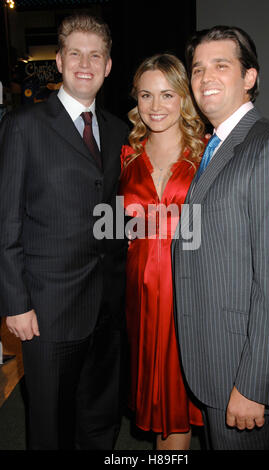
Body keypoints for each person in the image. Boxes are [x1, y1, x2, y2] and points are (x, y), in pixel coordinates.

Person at [0, 13, 129, 450]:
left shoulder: (121, 132)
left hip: (109, 310)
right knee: (50, 425)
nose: (85, 63)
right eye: (75, 53)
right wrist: (16, 303)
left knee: (100, 421)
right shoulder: (24, 126)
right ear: (58, 61)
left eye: (96, 54)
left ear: (109, 65)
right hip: (47, 311)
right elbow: (6, 220)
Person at [172, 25, 269, 450]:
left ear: (250, 78)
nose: (205, 77)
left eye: (221, 66)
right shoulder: (216, 147)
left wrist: (255, 384)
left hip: (243, 377)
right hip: (215, 363)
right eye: (198, 68)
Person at [119, 53, 205, 450]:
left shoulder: (206, 154)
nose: (155, 106)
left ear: (184, 98)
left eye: (167, 94)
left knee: (179, 409)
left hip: (189, 296)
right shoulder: (126, 157)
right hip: (140, 299)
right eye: (146, 95)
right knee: (158, 411)